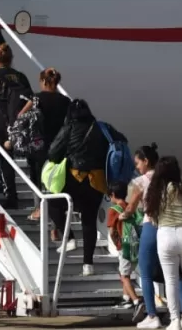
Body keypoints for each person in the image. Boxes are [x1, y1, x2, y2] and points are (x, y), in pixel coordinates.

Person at [121, 144, 182, 330]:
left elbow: (131, 208)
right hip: (173, 229)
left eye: (138, 163)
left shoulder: (140, 182)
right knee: (175, 274)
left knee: (145, 273)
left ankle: (152, 316)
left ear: (146, 161)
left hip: (151, 228)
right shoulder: (170, 180)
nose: (137, 167)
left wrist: (123, 216)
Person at [48, 99, 125, 275]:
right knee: (89, 220)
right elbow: (121, 140)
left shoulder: (70, 127)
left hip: (74, 179)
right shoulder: (103, 127)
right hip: (97, 182)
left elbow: (53, 152)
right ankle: (88, 265)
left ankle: (70, 239)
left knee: (53, 205)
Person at [143, 156, 182, 330]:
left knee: (170, 280)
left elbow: (149, 212)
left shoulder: (156, 189)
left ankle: (175, 320)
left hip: (165, 235)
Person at [16, 68, 70, 227]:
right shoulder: (65, 101)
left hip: (39, 145)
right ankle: (55, 223)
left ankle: (40, 208)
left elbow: (21, 116)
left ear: (44, 82)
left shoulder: (37, 98)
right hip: (59, 146)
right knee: (56, 182)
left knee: (39, 178)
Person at [0, 44, 32, 209]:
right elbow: (31, 99)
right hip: (20, 123)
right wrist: (19, 115)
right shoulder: (21, 77)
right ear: (11, 60)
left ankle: (11, 195)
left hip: (1, 123)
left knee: (5, 160)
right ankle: (32, 198)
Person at [107, 181, 145, 318]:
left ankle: (136, 301)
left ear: (112, 195)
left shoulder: (113, 210)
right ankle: (126, 299)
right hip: (135, 244)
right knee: (126, 273)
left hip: (125, 245)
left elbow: (112, 232)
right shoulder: (130, 207)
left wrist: (117, 244)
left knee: (124, 276)